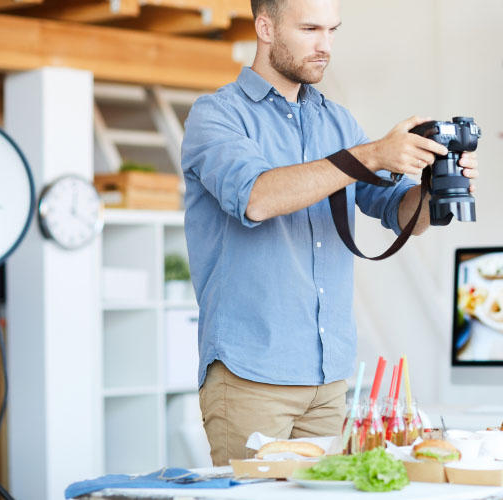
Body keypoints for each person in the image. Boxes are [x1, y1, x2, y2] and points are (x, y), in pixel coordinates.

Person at [180, 0, 479, 465]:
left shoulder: (338, 122)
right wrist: (372, 155)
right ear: (265, 27)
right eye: (310, 29)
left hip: (331, 380)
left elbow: (402, 217)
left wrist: (434, 185)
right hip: (251, 377)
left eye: (333, 30)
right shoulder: (216, 115)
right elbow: (257, 198)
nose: (326, 46)